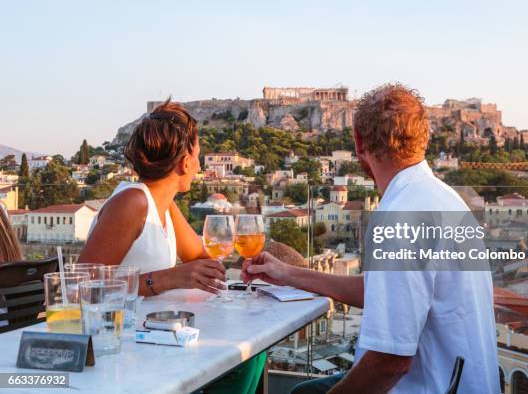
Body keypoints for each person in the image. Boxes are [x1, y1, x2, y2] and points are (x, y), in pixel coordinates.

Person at [242, 84, 499, 394]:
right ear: (425, 139)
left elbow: (390, 363)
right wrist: (287, 273)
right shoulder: (445, 199)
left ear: (359, 143)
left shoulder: (401, 217)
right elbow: (378, 289)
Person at [79, 99, 264, 394]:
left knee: (251, 350)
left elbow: (203, 260)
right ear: (185, 162)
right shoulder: (132, 201)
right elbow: (82, 285)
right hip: (121, 345)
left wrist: (247, 259)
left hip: (155, 333)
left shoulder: (162, 204)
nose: (200, 166)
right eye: (198, 157)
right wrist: (168, 278)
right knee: (244, 356)